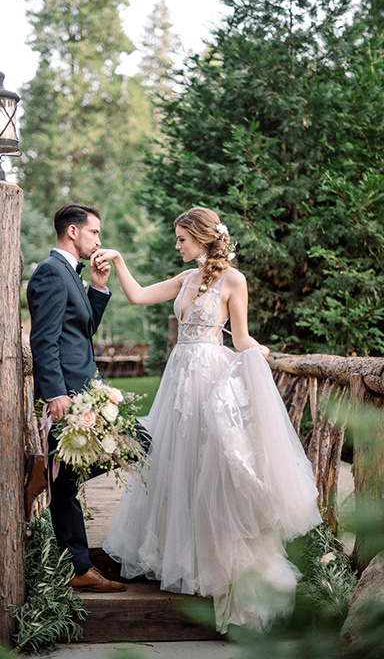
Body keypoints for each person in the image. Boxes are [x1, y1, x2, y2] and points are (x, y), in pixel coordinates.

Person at [94, 207, 322, 631]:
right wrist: (120, 261)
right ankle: (179, 557)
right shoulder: (185, 279)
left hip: (210, 377)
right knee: (174, 462)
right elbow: (139, 295)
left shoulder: (233, 280)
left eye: (182, 238)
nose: (177, 245)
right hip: (179, 375)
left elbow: (239, 337)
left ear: (202, 238)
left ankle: (220, 564)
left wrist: (258, 353)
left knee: (211, 466)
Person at [26, 202, 126, 592]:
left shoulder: (71, 274)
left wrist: (98, 287)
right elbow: (44, 339)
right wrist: (54, 393)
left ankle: (79, 566)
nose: (98, 240)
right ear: (73, 232)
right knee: (139, 445)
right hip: (67, 396)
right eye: (94, 233)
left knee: (67, 481)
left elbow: (81, 331)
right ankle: (79, 567)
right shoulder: (50, 273)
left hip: (84, 391)